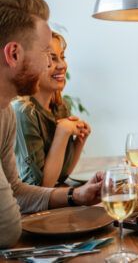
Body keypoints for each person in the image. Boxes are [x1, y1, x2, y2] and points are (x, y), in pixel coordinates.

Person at [0, 0, 102, 248]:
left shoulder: (6, 114)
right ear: (13, 54)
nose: (53, 63)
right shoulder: (20, 112)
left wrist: (75, 195)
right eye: (47, 52)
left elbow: (17, 191)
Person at [13, 31, 91, 187]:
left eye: (62, 57)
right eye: (52, 58)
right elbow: (40, 188)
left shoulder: (61, 107)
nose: (62, 65)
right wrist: (62, 133)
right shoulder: (23, 112)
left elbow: (61, 174)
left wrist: (80, 141)